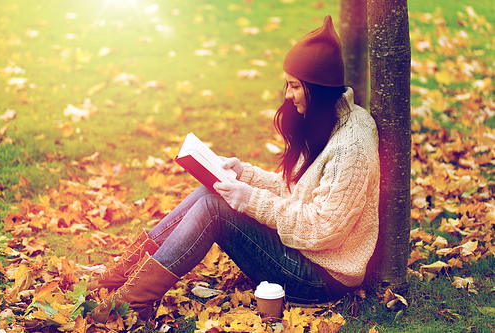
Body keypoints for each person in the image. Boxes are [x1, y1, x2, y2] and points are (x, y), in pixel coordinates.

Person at [89, 15, 380, 323]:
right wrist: (244, 175)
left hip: (322, 276)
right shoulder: (326, 120)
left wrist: (250, 198)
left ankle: (131, 304)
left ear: (317, 89)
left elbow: (323, 231)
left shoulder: (351, 145)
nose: (287, 95)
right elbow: (296, 191)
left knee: (215, 208)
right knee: (213, 187)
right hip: (302, 252)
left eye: (295, 86)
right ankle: (119, 279)